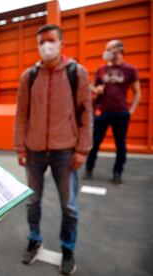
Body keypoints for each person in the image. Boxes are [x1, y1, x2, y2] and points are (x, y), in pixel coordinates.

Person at [14, 24, 92, 275]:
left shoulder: (76, 73)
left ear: (61, 43)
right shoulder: (30, 76)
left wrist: (82, 149)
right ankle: (34, 239)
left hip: (65, 151)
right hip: (35, 150)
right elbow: (21, 114)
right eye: (41, 42)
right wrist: (20, 147)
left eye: (50, 40)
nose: (46, 46)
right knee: (32, 201)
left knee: (69, 205)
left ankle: (68, 248)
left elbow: (85, 113)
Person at [83, 40, 141, 185]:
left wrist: (132, 109)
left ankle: (117, 173)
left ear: (119, 50)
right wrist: (96, 90)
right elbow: (91, 85)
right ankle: (89, 169)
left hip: (121, 113)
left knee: (120, 144)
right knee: (95, 142)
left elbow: (137, 92)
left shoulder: (130, 69)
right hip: (102, 112)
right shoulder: (101, 69)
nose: (106, 52)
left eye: (108, 49)